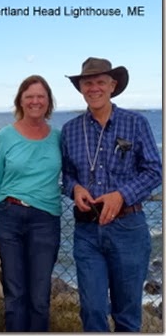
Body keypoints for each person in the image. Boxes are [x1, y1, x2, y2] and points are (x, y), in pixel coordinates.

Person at [61, 57, 162, 332]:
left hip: (128, 229)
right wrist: (75, 188)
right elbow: (66, 175)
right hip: (87, 232)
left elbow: (155, 171)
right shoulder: (70, 130)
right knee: (92, 310)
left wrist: (122, 195)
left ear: (112, 85)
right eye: (88, 83)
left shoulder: (136, 123)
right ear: (81, 88)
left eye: (100, 82)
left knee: (127, 315)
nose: (94, 88)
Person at [0, 75, 62, 332]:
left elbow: (75, 174)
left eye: (40, 96)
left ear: (48, 102)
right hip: (9, 218)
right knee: (15, 296)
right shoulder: (4, 136)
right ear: (21, 101)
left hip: (46, 221)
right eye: (29, 96)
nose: (35, 101)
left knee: (39, 297)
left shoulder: (59, 138)